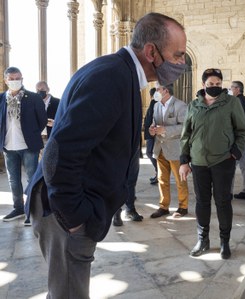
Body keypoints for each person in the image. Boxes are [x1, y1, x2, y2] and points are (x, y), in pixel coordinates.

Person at [25, 12, 187, 298]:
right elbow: (58, 154)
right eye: (177, 55)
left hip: (73, 210)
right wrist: (75, 218)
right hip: (63, 214)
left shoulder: (120, 73)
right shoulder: (111, 77)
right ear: (151, 51)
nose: (181, 64)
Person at [179, 69, 245, 259]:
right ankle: (203, 240)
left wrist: (235, 153)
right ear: (203, 85)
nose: (215, 87)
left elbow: (243, 131)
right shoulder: (194, 106)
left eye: (218, 84)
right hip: (199, 162)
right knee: (202, 202)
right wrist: (184, 160)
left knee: (223, 202)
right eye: (211, 84)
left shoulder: (231, 103)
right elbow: (186, 135)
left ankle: (225, 241)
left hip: (223, 161)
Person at [0, 67, 47, 225]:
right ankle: (18, 208)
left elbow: (41, 121)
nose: (15, 81)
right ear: (5, 80)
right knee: (13, 180)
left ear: (22, 79)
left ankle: (31, 211)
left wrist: (31, 135)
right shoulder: (1, 99)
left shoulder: (33, 98)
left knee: (32, 179)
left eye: (18, 78)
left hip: (28, 146)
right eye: (11, 78)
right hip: (8, 146)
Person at [149, 83, 189, 218]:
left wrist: (165, 130)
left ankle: (183, 207)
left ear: (166, 90)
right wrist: (152, 129)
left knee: (180, 180)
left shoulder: (180, 105)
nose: (155, 91)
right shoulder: (156, 105)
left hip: (175, 149)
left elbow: (185, 127)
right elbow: (155, 123)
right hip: (160, 147)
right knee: (162, 179)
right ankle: (163, 206)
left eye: (157, 89)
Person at [229, 80, 245, 200]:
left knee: (231, 163)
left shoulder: (238, 101)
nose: (230, 90)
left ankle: (228, 192)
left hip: (239, 138)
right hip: (244, 136)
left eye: (232, 88)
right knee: (244, 165)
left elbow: (238, 121)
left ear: (238, 89)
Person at [112, 146, 143, 226]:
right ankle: (116, 212)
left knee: (132, 179)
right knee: (117, 179)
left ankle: (130, 209)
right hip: (116, 145)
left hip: (134, 145)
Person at [143, 87, 159, 185]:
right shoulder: (153, 103)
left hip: (152, 133)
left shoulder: (155, 103)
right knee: (151, 153)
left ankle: (159, 173)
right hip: (149, 133)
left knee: (150, 152)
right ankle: (158, 173)